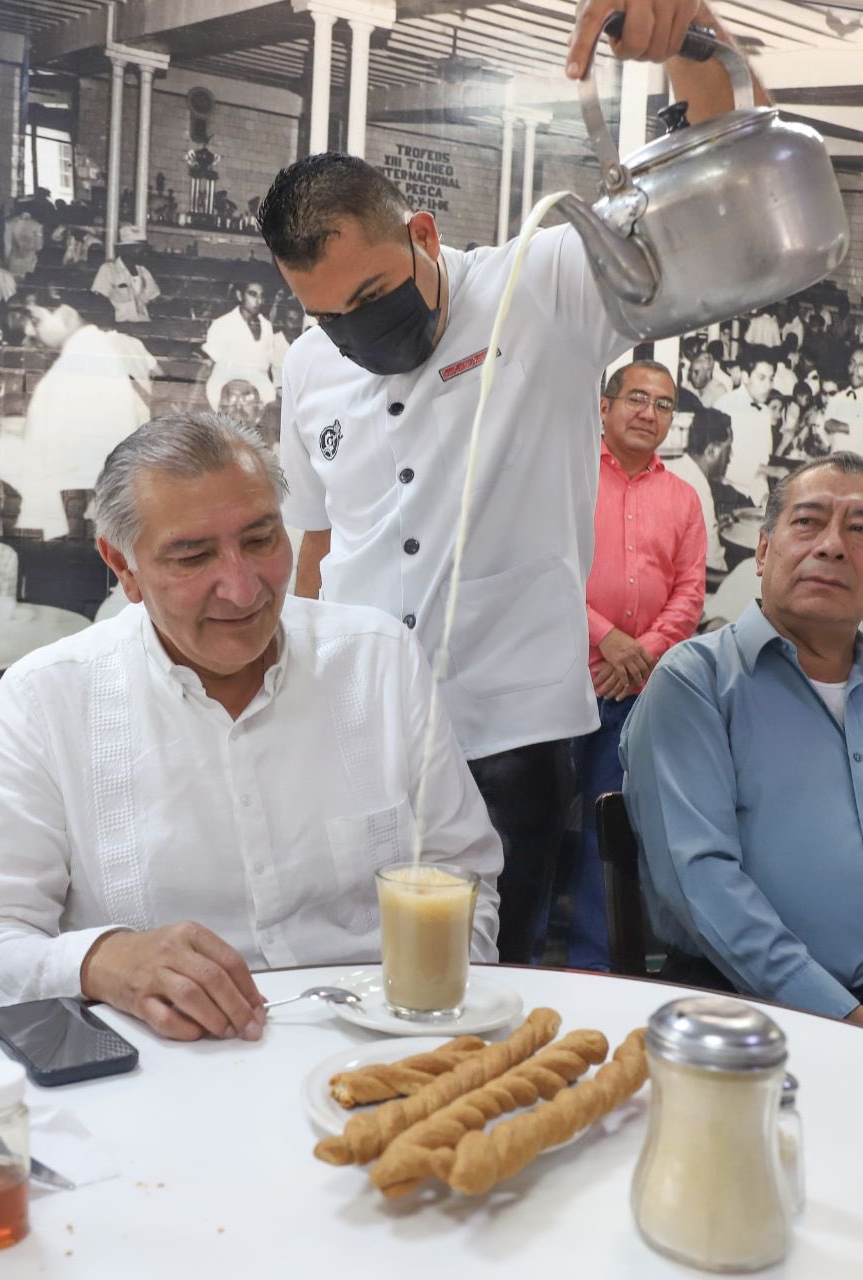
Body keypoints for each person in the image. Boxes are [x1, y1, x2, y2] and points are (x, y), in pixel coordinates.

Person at [257, 1, 765, 963]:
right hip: (357, 722)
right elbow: (316, 551)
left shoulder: (541, 284)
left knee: (491, 972)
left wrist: (689, 41)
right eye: (328, 317)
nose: (356, 333)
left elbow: (712, 199)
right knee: (347, 967)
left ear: (419, 232)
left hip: (510, 728)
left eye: (368, 298)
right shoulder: (306, 369)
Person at [0, 411, 502, 1039]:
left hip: (377, 1051)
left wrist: (423, 1022)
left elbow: (463, 875)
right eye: (193, 556)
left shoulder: (378, 661)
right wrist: (101, 961)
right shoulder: (47, 699)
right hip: (160, 1079)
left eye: (260, 540)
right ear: (122, 567)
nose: (241, 587)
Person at [621, 453, 863, 1041]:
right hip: (747, 1013)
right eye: (807, 522)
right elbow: (701, 881)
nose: (831, 546)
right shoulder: (697, 682)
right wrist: (852, 1023)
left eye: (861, 529)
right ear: (762, 551)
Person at [549, 360, 705, 969]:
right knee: (531, 833)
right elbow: (545, 567)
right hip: (559, 685)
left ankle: (595, 967)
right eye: (637, 399)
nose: (649, 413)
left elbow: (690, 593)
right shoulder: (570, 477)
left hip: (634, 698)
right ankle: (516, 959)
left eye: (663, 405)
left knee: (608, 836)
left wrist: (639, 655)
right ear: (605, 406)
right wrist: (606, 636)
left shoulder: (683, 498)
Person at [4, 294, 154, 538]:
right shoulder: (86, 352)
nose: (30, 330)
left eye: (36, 318)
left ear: (66, 314)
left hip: (76, 500)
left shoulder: (87, 358)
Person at [665, 405, 732, 572]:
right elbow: (712, 567)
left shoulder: (675, 467)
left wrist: (712, 527)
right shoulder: (699, 489)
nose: (730, 458)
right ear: (711, 451)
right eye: (728, 449)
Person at [202, 275, 278, 411]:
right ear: (239, 295)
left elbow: (268, 365)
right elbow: (210, 364)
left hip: (259, 386)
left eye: (261, 296)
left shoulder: (267, 326)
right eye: (253, 294)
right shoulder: (222, 324)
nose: (258, 300)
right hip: (227, 383)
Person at [717, 348, 775, 505]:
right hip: (727, 495)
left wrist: (764, 498)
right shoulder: (726, 406)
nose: (768, 385)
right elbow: (723, 467)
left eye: (771, 378)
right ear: (745, 377)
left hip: (755, 496)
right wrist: (772, 471)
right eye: (761, 378)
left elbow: (763, 460)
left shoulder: (765, 412)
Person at [91, 225, 161, 323]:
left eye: (143, 249)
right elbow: (99, 303)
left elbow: (155, 300)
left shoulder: (144, 272)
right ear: (124, 250)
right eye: (138, 248)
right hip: (119, 327)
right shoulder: (108, 270)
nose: (143, 253)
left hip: (144, 325)